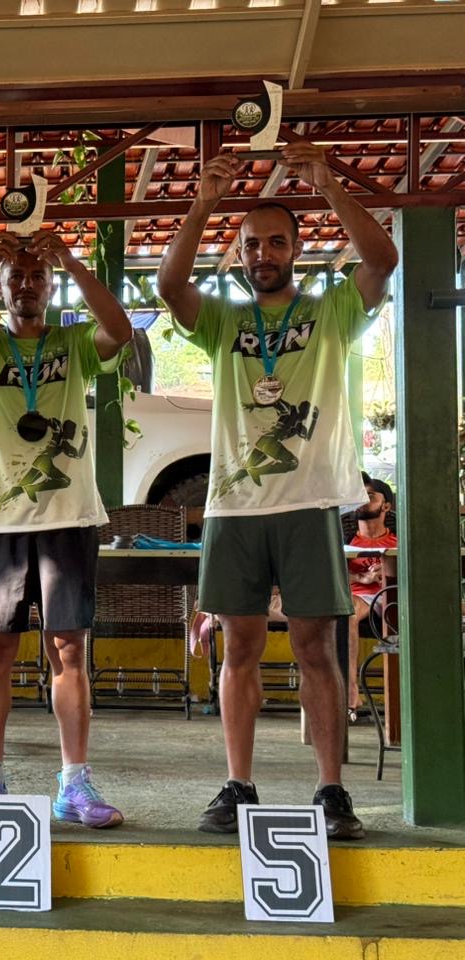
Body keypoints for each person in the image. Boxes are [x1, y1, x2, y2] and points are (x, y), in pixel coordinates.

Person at [158, 140, 398, 840]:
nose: (263, 253)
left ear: (296, 248)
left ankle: (331, 791)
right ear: (238, 253)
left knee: (316, 648)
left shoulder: (332, 311)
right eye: (252, 244)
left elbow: (382, 260)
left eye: (275, 242)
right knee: (238, 647)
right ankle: (238, 784)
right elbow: (171, 287)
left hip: (310, 502)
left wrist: (329, 186)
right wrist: (203, 203)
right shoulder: (224, 322)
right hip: (235, 507)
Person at [0, 229, 132, 829]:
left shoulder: (75, 343)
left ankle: (74, 783)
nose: (26, 285)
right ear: (1, 288)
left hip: (69, 517)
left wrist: (71, 260)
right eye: (14, 276)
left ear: (50, 286)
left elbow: (119, 330)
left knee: (69, 650)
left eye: (37, 276)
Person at [347, 473, 396, 719]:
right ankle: (351, 692)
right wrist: (361, 577)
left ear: (386, 506)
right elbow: (327, 574)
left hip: (394, 595)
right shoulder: (344, 539)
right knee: (347, 612)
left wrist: (388, 570)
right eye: (359, 495)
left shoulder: (398, 539)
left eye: (369, 496)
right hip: (361, 597)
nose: (362, 500)